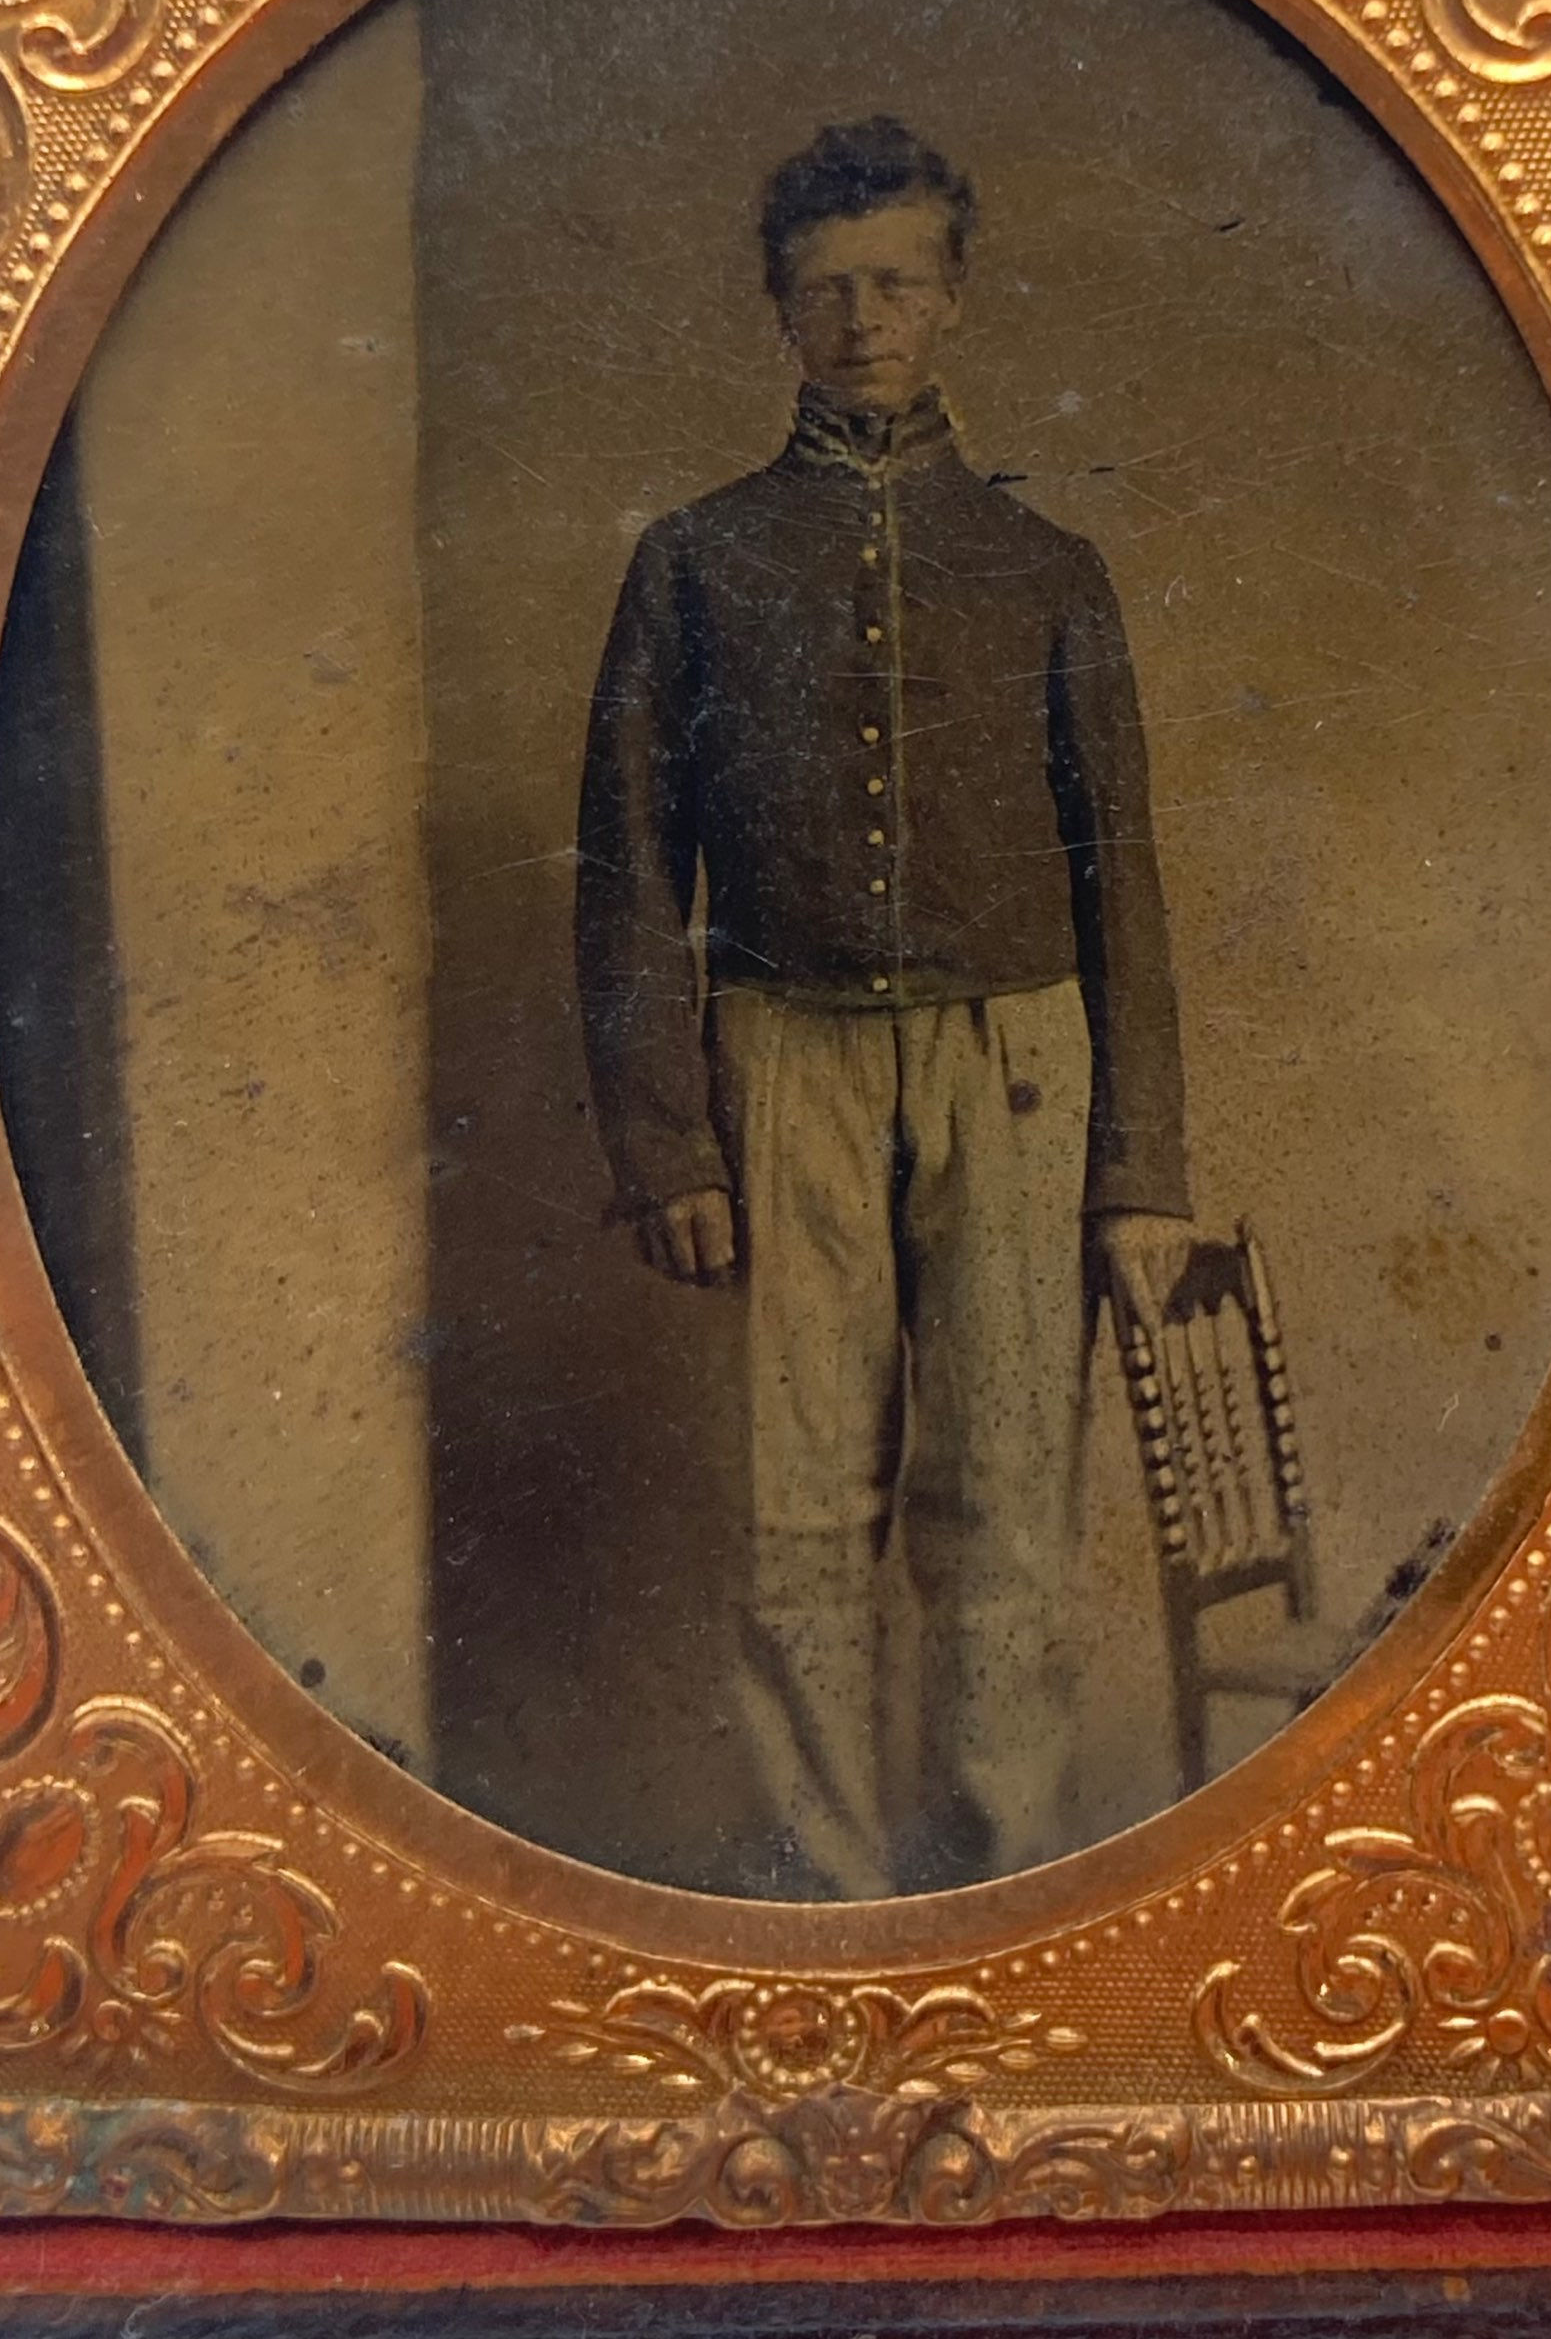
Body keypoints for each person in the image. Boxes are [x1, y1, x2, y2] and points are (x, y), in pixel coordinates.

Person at [574, 115, 1191, 1898]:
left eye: (897, 283)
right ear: (778, 309)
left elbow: (1120, 878)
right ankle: (825, 1907)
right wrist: (664, 1143)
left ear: (953, 301)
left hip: (1020, 1067)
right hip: (783, 1067)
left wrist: (1138, 1162)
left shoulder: (1045, 566)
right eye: (825, 289)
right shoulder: (693, 561)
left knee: (1005, 1509)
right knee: (794, 1520)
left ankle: (998, 1891)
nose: (863, 320)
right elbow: (626, 868)